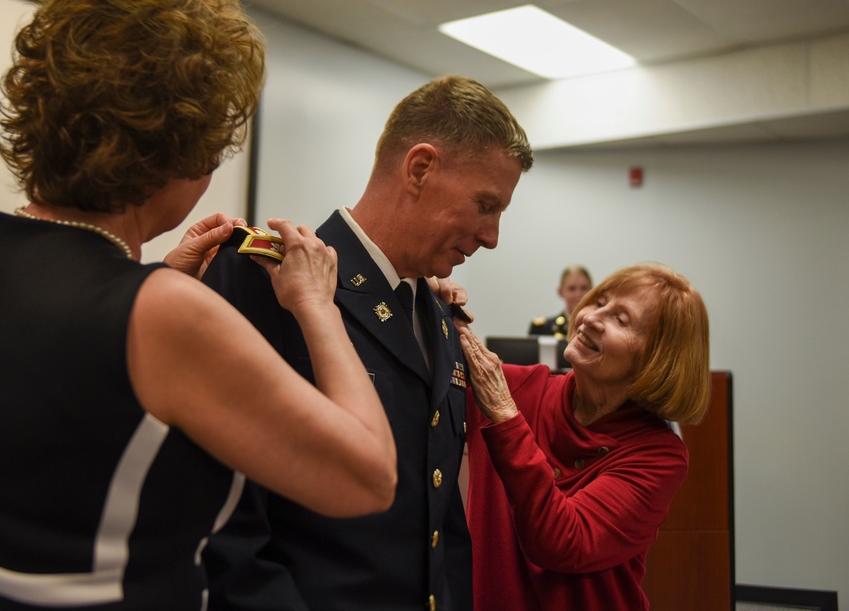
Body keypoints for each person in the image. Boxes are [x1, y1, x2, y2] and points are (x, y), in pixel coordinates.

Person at [0, 0, 398, 611]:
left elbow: (69, 435)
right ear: (180, 147)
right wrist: (316, 303)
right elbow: (367, 476)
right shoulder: (164, 314)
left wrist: (150, 284)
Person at [197, 75, 534, 611]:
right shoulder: (267, 277)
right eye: (486, 204)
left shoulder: (441, 316)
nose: (491, 235)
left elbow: (440, 523)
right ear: (420, 169)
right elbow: (221, 518)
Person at [458, 264, 711, 611]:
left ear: (656, 359)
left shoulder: (659, 455)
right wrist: (433, 297)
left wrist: (504, 415)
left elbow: (563, 541)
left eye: (621, 320)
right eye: (600, 302)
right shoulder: (521, 387)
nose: (590, 317)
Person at [528, 264, 592, 338]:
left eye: (584, 288)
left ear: (592, 291)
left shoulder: (600, 328)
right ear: (560, 292)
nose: (578, 294)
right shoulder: (542, 329)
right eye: (571, 289)